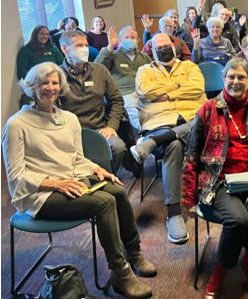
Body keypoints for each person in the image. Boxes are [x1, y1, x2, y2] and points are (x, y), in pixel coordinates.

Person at [2, 63, 156, 299]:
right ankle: (120, 272)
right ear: (32, 86)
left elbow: (75, 158)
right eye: (45, 82)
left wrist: (96, 168)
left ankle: (133, 253)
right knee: (104, 202)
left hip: (70, 182)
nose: (51, 87)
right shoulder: (17, 123)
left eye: (55, 82)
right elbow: (15, 175)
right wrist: (54, 183)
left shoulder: (69, 118)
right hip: (38, 195)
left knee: (116, 188)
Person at [184, 57, 248, 299]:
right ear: (223, 79)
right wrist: (189, 198)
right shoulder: (207, 110)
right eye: (231, 77)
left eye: (241, 77)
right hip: (219, 180)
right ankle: (218, 275)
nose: (236, 81)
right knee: (238, 220)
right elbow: (191, 154)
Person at [133, 33, 207, 244]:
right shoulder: (144, 70)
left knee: (202, 120)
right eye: (159, 47)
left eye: (167, 45)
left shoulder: (189, 67)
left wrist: (165, 94)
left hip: (193, 121)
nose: (164, 49)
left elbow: (198, 88)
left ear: (174, 46)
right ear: (152, 51)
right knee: (173, 145)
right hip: (158, 123)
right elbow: (144, 91)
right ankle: (174, 213)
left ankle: (151, 144)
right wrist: (178, 88)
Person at [58, 30, 128, 173]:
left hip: (99, 129)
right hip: (70, 133)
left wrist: (111, 126)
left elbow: (116, 100)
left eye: (86, 45)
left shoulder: (100, 71)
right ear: (64, 49)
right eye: (78, 45)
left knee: (119, 148)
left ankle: (108, 181)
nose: (85, 49)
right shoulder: (57, 76)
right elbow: (52, 110)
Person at [94, 26, 152, 131]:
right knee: (136, 112)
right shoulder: (112, 55)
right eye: (127, 37)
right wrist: (110, 46)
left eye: (132, 37)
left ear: (137, 40)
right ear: (120, 40)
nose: (130, 39)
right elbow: (96, 68)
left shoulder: (144, 57)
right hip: (125, 93)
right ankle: (148, 131)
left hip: (143, 92)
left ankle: (159, 130)